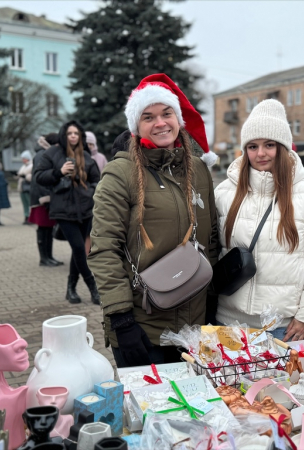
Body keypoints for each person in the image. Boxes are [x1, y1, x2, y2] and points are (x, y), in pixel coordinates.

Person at [88, 73, 219, 368]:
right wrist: (121, 319)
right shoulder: (119, 174)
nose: (160, 123)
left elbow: (210, 238)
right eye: (148, 117)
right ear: (137, 126)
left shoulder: (198, 170)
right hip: (144, 328)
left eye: (166, 113)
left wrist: (211, 304)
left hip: (195, 327)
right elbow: (104, 250)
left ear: (178, 118)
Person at [214, 99, 304, 342]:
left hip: (283, 327)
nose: (260, 153)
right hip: (227, 323)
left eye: (269, 145)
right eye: (252, 146)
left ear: (283, 147)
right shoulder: (224, 192)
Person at [33, 121, 101, 304]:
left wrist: (90, 191)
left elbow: (97, 179)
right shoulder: (52, 154)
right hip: (63, 210)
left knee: (78, 251)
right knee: (79, 248)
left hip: (86, 210)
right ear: (64, 135)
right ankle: (93, 288)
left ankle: (70, 289)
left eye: (76, 133)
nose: (73, 136)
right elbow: (39, 176)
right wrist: (58, 172)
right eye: (69, 133)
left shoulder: (86, 156)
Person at [29, 134, 63, 267]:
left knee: (48, 228)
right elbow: (40, 179)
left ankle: (49, 256)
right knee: (43, 228)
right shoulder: (42, 155)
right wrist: (46, 198)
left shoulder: (46, 154)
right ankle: (44, 258)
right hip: (42, 198)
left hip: (47, 197)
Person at [17, 150, 33, 225]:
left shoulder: (32, 165)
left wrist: (26, 176)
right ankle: (26, 216)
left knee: (30, 203)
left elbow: (33, 176)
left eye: (24, 158)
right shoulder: (23, 166)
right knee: (25, 204)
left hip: (28, 187)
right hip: (22, 188)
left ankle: (31, 218)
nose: (23, 160)